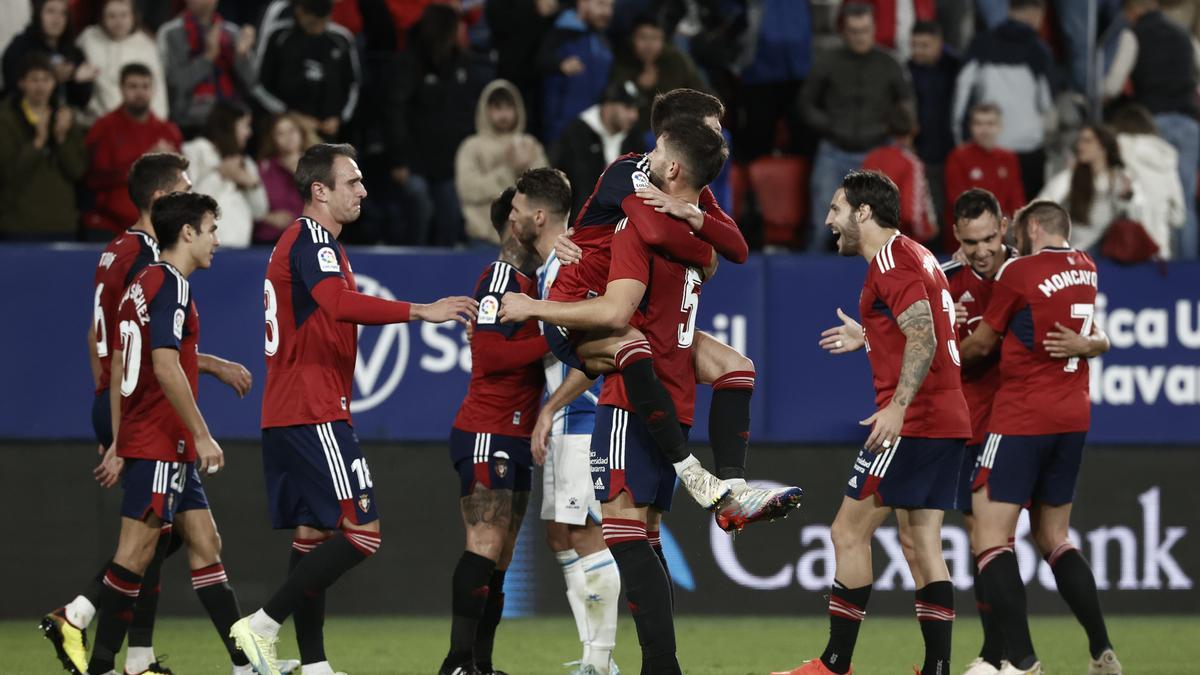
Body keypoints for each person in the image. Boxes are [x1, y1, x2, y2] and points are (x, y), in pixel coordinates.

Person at [229, 143, 478, 675]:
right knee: (362, 533)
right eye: (352, 182)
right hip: (312, 408)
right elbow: (341, 306)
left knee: (312, 537)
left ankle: (314, 665)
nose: (363, 191)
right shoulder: (312, 239)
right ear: (319, 191)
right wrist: (422, 310)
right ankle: (262, 625)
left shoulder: (313, 245)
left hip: (291, 410)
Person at [508, 89, 803, 531]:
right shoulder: (631, 172)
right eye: (711, 128)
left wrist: (697, 221)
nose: (718, 138)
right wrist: (703, 250)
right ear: (676, 136)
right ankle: (691, 472)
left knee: (736, 368)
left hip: (630, 310)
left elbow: (737, 247)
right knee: (634, 347)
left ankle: (734, 491)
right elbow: (656, 231)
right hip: (581, 305)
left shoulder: (688, 189)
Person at [511, 120, 729, 674]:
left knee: (623, 534)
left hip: (629, 401)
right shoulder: (658, 207)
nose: (716, 138)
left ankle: (634, 662)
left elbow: (620, 310)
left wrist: (535, 308)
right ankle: (634, 661)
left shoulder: (655, 218)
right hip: (644, 385)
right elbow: (720, 255)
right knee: (624, 534)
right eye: (711, 127)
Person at [40, 152, 256, 675]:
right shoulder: (164, 279)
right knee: (137, 552)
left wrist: (117, 432)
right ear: (179, 224)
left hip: (135, 416)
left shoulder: (121, 258)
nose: (217, 240)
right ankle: (93, 640)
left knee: (199, 539)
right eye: (210, 229)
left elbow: (114, 353)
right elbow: (163, 361)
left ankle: (238, 663)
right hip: (159, 427)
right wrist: (200, 433)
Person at [778, 170, 970, 675]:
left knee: (846, 532)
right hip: (947, 417)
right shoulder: (917, 254)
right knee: (920, 542)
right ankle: (938, 668)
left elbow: (924, 337)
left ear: (863, 213)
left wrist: (898, 407)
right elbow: (915, 326)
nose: (828, 221)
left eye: (837, 209)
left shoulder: (892, 261)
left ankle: (834, 664)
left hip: (915, 421)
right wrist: (871, 335)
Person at [959, 201, 1121, 675]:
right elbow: (1090, 332)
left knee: (989, 537)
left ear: (1029, 227)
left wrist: (937, 355)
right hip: (1073, 418)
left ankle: (1024, 663)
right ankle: (1101, 650)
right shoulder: (1086, 268)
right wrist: (1097, 344)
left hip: (1021, 417)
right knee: (1054, 537)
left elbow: (983, 343)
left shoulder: (1020, 272)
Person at [441, 170, 568, 675]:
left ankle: (480, 664)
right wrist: (559, 333)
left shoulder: (532, 286)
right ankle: (455, 662)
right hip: (486, 432)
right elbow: (492, 355)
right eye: (515, 214)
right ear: (515, 227)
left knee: (500, 560)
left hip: (514, 436)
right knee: (485, 544)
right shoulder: (500, 277)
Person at [530, 190, 621, 675]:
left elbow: (589, 354)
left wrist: (550, 409)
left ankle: (599, 661)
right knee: (560, 535)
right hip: (567, 419)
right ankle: (591, 653)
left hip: (583, 416)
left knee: (588, 534)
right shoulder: (551, 268)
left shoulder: (570, 264)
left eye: (522, 208)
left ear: (539, 214)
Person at [939, 188, 1016, 675]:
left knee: (995, 540)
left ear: (1004, 228)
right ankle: (996, 653)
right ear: (956, 239)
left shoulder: (1025, 275)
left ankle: (1012, 654)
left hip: (1010, 425)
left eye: (989, 238)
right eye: (971, 243)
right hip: (964, 428)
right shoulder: (943, 280)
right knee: (978, 541)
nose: (982, 251)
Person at [801, 2, 914, 252]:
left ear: (873, 29)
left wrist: (893, 129)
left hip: (877, 153)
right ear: (844, 31)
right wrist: (828, 126)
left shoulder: (889, 63)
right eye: (853, 31)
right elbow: (805, 104)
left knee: (879, 226)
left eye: (864, 30)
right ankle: (807, 281)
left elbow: (907, 104)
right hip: (833, 150)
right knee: (821, 223)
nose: (860, 36)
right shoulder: (828, 61)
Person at [1104, 0, 1199, 259]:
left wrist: (1103, 99)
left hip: (1153, 126)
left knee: (1151, 197)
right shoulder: (1184, 35)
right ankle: (1189, 270)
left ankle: (1152, 263)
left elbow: (1112, 85)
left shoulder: (1133, 34)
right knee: (1184, 202)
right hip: (1189, 124)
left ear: (1132, 10)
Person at [951, 0, 1054, 201]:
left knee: (984, 215)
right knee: (1027, 218)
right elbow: (1046, 103)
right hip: (1028, 147)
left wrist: (960, 137)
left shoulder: (980, 43)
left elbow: (961, 92)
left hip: (990, 144)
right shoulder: (1040, 50)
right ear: (1037, 12)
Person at [84, 63, 183, 238]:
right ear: (121, 89)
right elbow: (94, 179)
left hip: (157, 228)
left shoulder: (168, 131)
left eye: (145, 86)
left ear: (153, 90)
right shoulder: (103, 128)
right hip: (111, 227)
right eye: (133, 86)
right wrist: (144, 162)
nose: (139, 93)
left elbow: (179, 183)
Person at [0, 54, 86, 240]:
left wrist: (62, 138)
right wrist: (38, 142)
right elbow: (8, 174)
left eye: (46, 79)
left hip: (62, 223)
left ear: (54, 83)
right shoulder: (5, 120)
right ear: (22, 83)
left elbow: (77, 171)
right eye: (34, 80)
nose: (40, 86)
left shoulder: (65, 119)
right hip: (18, 224)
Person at [455, 80, 548, 245]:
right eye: (498, 108)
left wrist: (525, 169)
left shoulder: (529, 145)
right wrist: (510, 170)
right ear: (486, 110)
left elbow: (547, 191)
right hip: (482, 239)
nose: (504, 114)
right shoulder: (471, 146)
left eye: (509, 108)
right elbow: (467, 190)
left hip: (527, 243)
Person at [253, 0, 361, 141]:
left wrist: (339, 117)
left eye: (323, 22)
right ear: (300, 12)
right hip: (286, 131)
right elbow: (259, 85)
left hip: (330, 131)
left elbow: (353, 84)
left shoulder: (341, 39)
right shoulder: (279, 37)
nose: (318, 28)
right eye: (313, 23)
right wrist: (290, 115)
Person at [157, 0, 257, 135]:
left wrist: (241, 56)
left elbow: (251, 83)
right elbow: (175, 84)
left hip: (231, 121)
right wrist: (208, 57)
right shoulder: (170, 33)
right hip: (189, 123)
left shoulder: (232, 32)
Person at [1036, 124, 1141, 252]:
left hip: (1109, 251)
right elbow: (1041, 206)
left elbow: (1136, 217)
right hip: (1075, 250)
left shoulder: (1122, 178)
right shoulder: (1070, 177)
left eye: (1087, 141)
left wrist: (1126, 196)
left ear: (1103, 146)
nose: (1080, 146)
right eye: (1079, 141)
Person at [550, 80, 644, 221]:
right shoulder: (578, 133)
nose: (634, 116)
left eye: (636, 109)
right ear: (608, 106)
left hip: (621, 223)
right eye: (627, 107)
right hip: (580, 224)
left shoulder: (633, 137)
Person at [943, 103, 1026, 252]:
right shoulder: (958, 157)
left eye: (990, 123)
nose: (985, 130)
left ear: (1000, 126)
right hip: (966, 242)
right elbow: (957, 201)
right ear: (971, 127)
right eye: (979, 124)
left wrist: (1021, 230)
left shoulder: (1009, 158)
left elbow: (1016, 200)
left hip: (1001, 240)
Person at [608, 14, 707, 139]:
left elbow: (702, 91)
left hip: (677, 127)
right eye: (643, 38)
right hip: (637, 131)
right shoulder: (622, 61)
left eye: (655, 38)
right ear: (632, 39)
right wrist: (640, 86)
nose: (649, 44)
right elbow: (614, 104)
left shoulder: (676, 60)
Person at [183, 101, 267, 248]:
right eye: (245, 125)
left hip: (240, 250)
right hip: (201, 250)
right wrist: (220, 174)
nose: (249, 133)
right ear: (229, 125)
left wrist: (252, 184)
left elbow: (260, 211)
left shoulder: (245, 162)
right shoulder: (195, 151)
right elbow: (190, 204)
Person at [1109, 103, 1186, 257]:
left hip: (1126, 248)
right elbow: (1178, 216)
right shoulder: (1167, 158)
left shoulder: (1117, 150)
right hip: (1160, 249)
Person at [537, 0, 615, 143]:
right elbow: (540, 63)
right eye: (601, 4)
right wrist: (559, 66)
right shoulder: (560, 33)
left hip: (593, 133)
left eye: (611, 6)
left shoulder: (603, 41)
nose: (608, 12)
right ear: (582, 3)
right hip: (559, 133)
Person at [77, 0, 168, 121]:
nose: (118, 22)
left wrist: (158, 123)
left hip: (138, 123)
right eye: (112, 16)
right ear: (102, 17)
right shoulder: (89, 38)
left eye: (124, 15)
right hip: (95, 121)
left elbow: (157, 90)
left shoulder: (146, 46)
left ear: (133, 17)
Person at [907, 19, 960, 223]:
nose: (918, 51)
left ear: (939, 43)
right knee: (930, 212)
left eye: (924, 46)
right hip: (922, 154)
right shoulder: (907, 70)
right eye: (914, 45)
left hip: (952, 152)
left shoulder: (957, 68)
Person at [861, 106, 938, 243]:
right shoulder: (911, 164)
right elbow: (911, 214)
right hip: (901, 242)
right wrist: (927, 231)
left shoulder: (870, 158)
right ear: (915, 129)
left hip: (869, 239)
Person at [1, 0, 95, 109]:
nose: (57, 19)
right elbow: (13, 90)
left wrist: (78, 81)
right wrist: (53, 77)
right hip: (23, 115)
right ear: (38, 15)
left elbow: (82, 101)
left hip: (65, 117)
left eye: (63, 13)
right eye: (50, 12)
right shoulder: (20, 47)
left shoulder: (73, 51)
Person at [257, 112, 318, 245]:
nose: (288, 137)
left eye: (292, 130)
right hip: (270, 239)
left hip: (308, 239)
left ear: (301, 133)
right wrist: (268, 218)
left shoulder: (318, 165)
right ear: (273, 139)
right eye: (280, 133)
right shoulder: (264, 168)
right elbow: (251, 205)